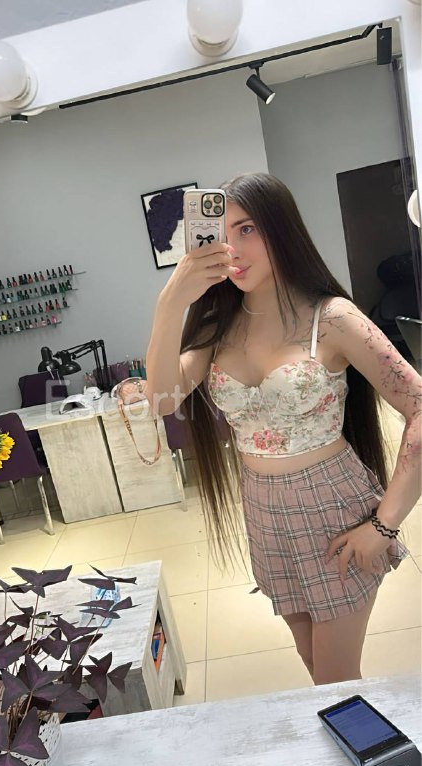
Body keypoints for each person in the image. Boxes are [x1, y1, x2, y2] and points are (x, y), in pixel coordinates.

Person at [146, 173, 421, 685]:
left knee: (335, 678)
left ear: (281, 229)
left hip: (332, 509)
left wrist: (385, 526)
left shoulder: (332, 319)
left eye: (247, 229)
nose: (233, 248)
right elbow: (163, 397)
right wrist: (171, 303)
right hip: (263, 511)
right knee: (315, 668)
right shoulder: (218, 327)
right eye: (222, 233)